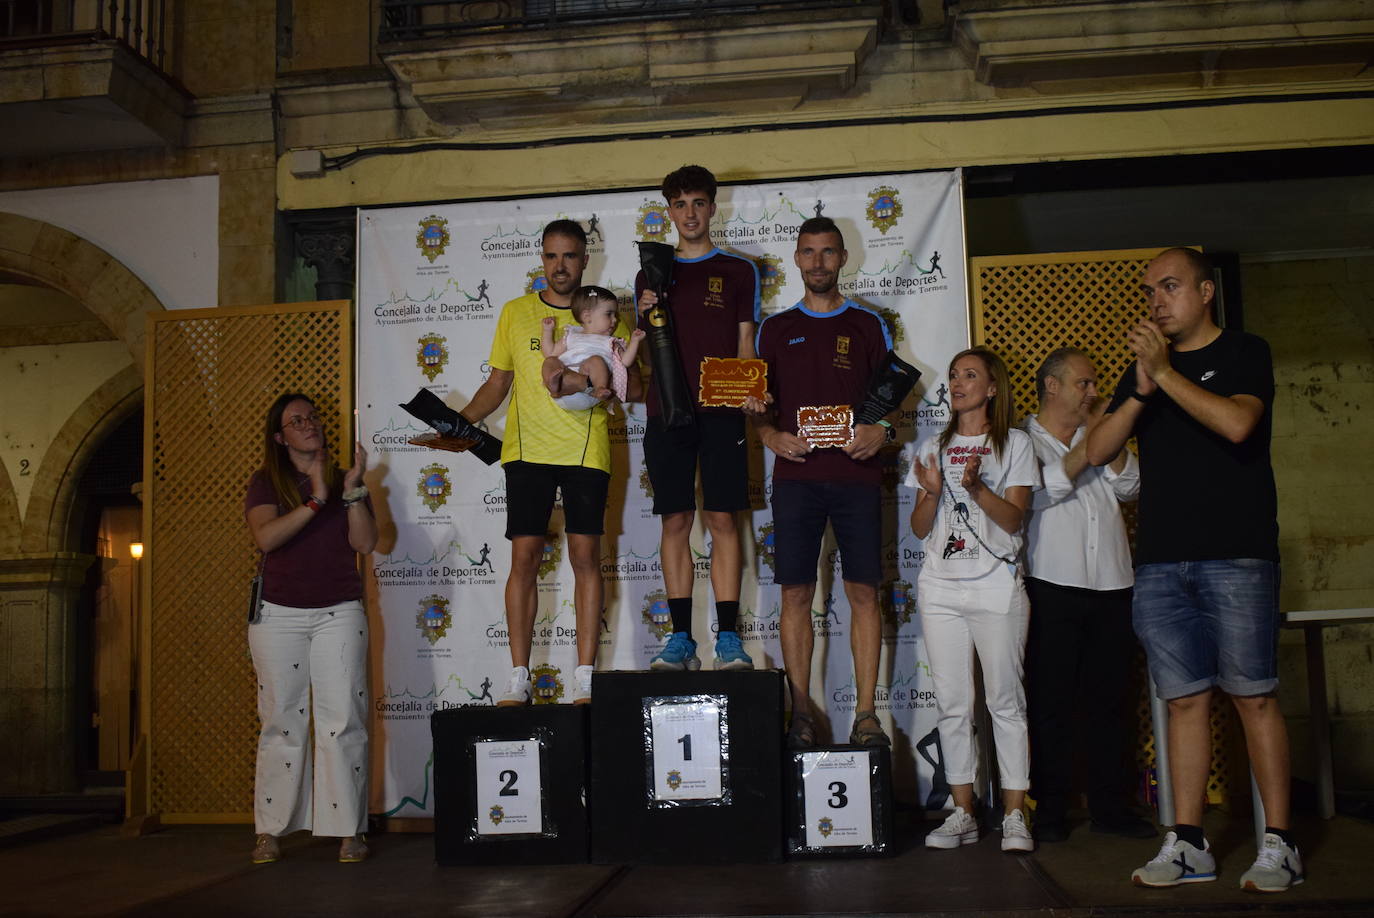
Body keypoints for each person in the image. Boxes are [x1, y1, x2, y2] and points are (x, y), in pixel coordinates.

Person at [1086, 247, 1299, 893]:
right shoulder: (1146, 370)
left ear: (1205, 291)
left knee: (1254, 696)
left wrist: (1165, 374)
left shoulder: (1244, 351)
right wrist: (1140, 389)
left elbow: (1238, 424)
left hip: (1236, 555)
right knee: (1183, 703)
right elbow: (1096, 449)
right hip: (1160, 563)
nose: (1156, 299)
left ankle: (1281, 845)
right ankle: (1188, 845)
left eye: (1170, 286)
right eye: (1150, 289)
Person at [459, 220, 635, 707]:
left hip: (586, 450)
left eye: (571, 256)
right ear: (542, 259)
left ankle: (584, 678)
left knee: (585, 559)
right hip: (527, 452)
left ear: (585, 260)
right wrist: (459, 423)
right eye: (552, 256)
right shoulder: (517, 313)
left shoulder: (606, 315)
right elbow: (497, 385)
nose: (561, 266)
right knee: (523, 559)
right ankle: (519, 677)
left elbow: (628, 383)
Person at [745, 217, 898, 748]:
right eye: (808, 252)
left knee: (862, 593)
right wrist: (767, 433)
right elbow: (757, 404)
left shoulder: (870, 325)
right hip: (796, 481)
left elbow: (888, 405)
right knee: (795, 594)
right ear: (795, 259)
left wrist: (882, 431)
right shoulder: (773, 329)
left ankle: (866, 716)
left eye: (827, 252)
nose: (817, 262)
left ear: (842, 258)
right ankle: (802, 715)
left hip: (856, 477)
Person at [907, 347, 1040, 853]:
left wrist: (979, 489)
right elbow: (920, 529)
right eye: (954, 375)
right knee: (953, 704)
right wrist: (933, 493)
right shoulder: (930, 447)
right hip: (940, 587)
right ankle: (962, 811)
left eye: (970, 375)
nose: (958, 383)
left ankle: (1013, 815)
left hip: (996, 583)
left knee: (1005, 702)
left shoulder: (1016, 444)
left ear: (991, 389)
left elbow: (1014, 520)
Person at [1022, 347, 1154, 842]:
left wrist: (1107, 435)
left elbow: (1132, 486)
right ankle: (1050, 810)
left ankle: (1112, 808)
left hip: (1114, 584)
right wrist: (1092, 444)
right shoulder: (1019, 440)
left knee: (1111, 702)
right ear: (1052, 386)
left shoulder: (1101, 435)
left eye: (1096, 385)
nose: (1095, 393)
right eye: (1085, 384)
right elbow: (1038, 493)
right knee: (1051, 703)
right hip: (1051, 586)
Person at [635, 164, 760, 671]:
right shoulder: (652, 272)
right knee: (676, 519)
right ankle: (681, 638)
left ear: (712, 208)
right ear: (669, 212)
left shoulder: (739, 270)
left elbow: (746, 343)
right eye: (680, 205)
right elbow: (643, 356)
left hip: (723, 411)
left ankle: (728, 638)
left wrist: (751, 389)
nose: (690, 213)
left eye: (699, 203)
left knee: (724, 517)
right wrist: (643, 316)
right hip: (667, 412)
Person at [243, 394, 378, 865]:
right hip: (279, 614)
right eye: (296, 421)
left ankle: (349, 831)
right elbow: (267, 537)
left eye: (312, 417)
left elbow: (365, 542)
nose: (309, 425)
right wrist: (317, 500)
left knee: (343, 719)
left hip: (339, 611)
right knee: (282, 720)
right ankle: (271, 830)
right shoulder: (267, 481)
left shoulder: (347, 479)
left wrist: (352, 490)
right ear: (279, 437)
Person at [541, 285, 646, 409]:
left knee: (596, 360)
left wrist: (634, 341)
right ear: (587, 317)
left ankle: (600, 388)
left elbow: (626, 361)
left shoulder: (611, 341)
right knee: (550, 361)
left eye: (615, 315)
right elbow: (550, 352)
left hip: (589, 391)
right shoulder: (572, 335)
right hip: (563, 382)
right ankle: (553, 384)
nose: (615, 320)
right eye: (609, 314)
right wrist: (547, 331)